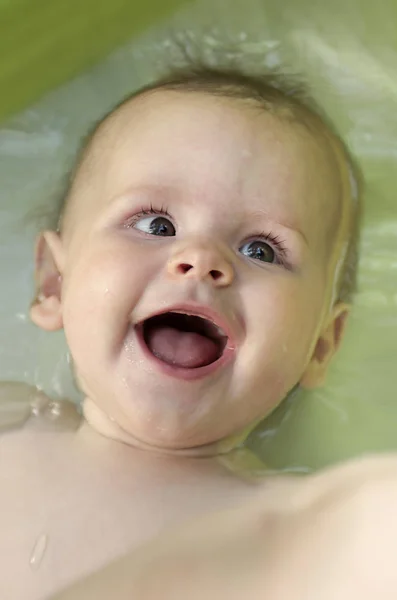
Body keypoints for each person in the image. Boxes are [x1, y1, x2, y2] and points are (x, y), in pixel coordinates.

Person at [5, 62, 394, 600]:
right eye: (155, 225)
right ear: (54, 284)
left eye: (261, 249)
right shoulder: (12, 425)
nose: (201, 259)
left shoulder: (292, 533)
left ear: (320, 345)